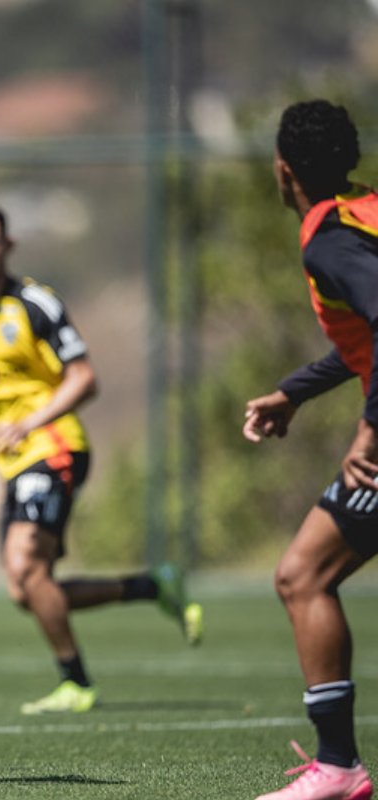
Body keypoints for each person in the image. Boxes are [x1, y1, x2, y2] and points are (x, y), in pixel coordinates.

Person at [0, 200, 203, 715]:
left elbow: (85, 378)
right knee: (28, 589)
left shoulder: (36, 304)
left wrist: (28, 423)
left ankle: (77, 683)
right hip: (13, 458)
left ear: (8, 247)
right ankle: (152, 585)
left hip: (56, 445)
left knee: (23, 565)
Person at [244, 99, 377, 800]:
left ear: (284, 168)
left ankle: (337, 768)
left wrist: (370, 432)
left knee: (303, 576)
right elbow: (364, 335)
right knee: (305, 575)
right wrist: (295, 390)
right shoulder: (366, 212)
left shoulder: (331, 240)